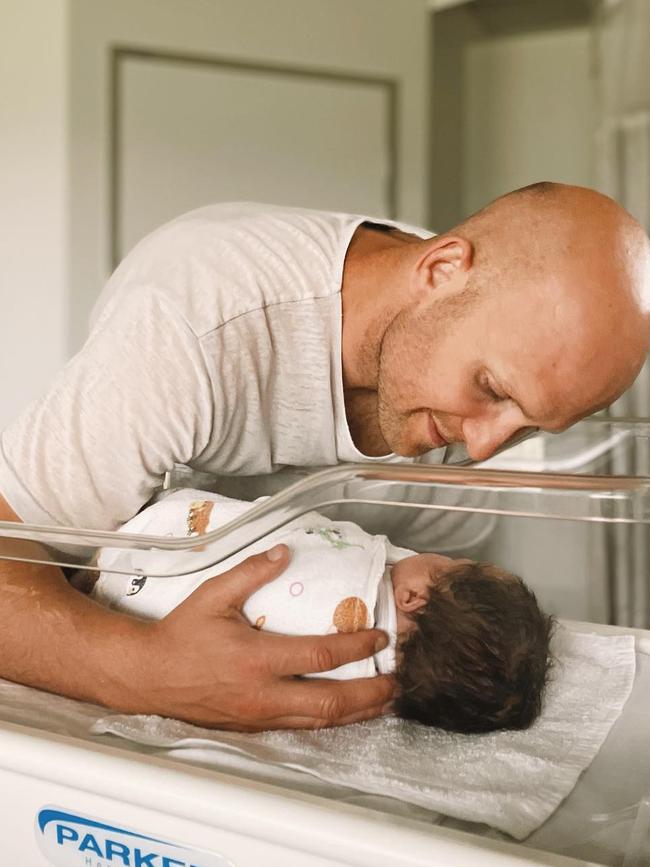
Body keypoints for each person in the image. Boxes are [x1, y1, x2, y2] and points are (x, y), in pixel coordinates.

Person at [0, 182, 648, 731]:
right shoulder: (193, 330)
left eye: (531, 426)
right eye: (492, 390)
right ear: (439, 270)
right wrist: (145, 672)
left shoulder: (491, 347)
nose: (482, 446)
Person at [85, 489, 553, 734]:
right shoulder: (372, 694)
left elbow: (293, 530)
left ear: (413, 598)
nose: (440, 554)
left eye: (450, 564)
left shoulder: (357, 569)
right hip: (133, 614)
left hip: (142, 549)